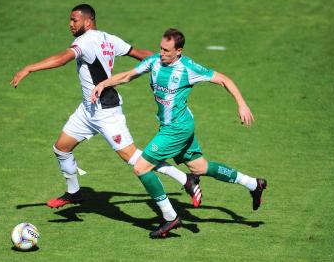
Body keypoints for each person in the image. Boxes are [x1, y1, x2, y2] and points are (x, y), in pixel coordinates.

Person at [10, 5, 202, 210]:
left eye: (75, 20)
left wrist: (29, 68)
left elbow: (63, 59)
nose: (71, 24)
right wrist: (160, 60)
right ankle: (74, 193)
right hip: (87, 109)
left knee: (134, 158)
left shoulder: (84, 41)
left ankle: (186, 179)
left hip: (107, 111)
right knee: (61, 148)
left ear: (88, 21)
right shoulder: (109, 39)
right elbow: (139, 54)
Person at [91, 28, 268, 238]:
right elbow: (128, 75)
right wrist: (103, 83)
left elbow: (224, 79)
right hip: (172, 126)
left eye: (167, 50)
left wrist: (242, 105)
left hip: (177, 129)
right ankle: (253, 184)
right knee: (199, 167)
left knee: (141, 168)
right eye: (160, 48)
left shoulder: (188, 68)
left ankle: (169, 217)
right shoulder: (154, 61)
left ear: (179, 51)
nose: (162, 53)